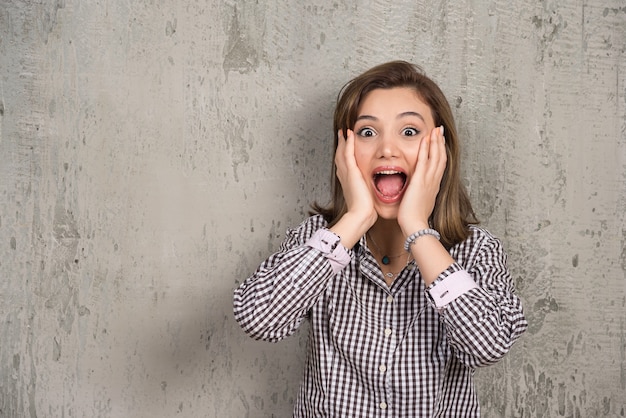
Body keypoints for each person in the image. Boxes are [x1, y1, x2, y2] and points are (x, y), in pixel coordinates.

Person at [233, 60, 527, 417]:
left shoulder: (475, 248)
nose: (387, 150)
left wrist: (418, 229)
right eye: (368, 133)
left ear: (440, 150)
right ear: (345, 153)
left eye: (409, 132)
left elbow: (488, 346)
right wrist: (355, 218)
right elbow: (259, 318)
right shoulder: (318, 240)